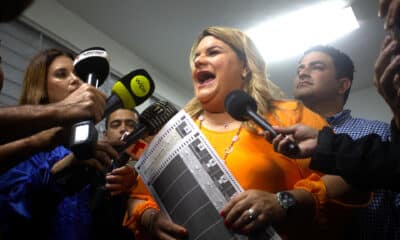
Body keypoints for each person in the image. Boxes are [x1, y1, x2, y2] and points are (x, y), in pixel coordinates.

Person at [122, 26, 367, 240]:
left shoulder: (288, 114)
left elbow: (349, 180)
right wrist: (150, 219)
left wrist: (283, 202)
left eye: (213, 52)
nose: (198, 60)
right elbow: (139, 196)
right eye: (196, 56)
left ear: (245, 67)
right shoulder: (174, 132)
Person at [0, 48, 133, 240]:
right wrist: (57, 173)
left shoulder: (88, 147)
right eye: (62, 74)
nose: (76, 80)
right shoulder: (16, 145)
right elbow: (11, 215)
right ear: (40, 87)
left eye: (78, 75)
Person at [88, 108, 140, 240]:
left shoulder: (149, 175)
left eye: (131, 124)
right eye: (116, 125)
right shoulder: (90, 166)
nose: (124, 129)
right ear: (105, 135)